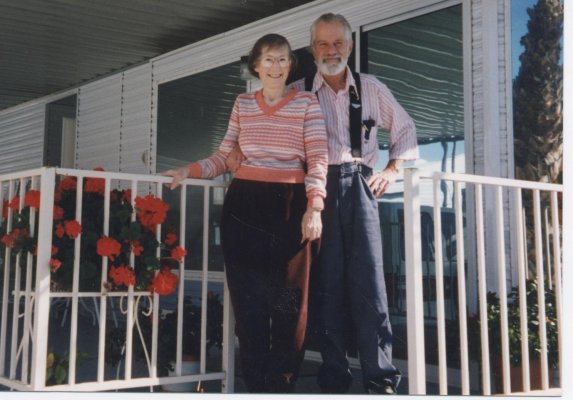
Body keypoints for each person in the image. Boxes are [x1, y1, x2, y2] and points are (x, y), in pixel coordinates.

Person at [226, 14, 419, 394]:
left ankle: (380, 378)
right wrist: (233, 150)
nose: (331, 51)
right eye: (323, 44)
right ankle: (334, 376)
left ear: (349, 46)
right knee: (325, 285)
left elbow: (406, 130)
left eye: (338, 44)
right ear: (312, 49)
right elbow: (253, 127)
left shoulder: (371, 88)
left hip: (358, 185)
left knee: (369, 284)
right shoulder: (295, 90)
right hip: (309, 192)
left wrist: (393, 169)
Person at [162, 33, 328, 393]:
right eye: (268, 59)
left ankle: (281, 386)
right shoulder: (242, 104)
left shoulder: (307, 104)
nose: (276, 67)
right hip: (245, 207)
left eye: (283, 59)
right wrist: (188, 171)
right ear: (255, 65)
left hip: (291, 205)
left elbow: (317, 158)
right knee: (249, 305)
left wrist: (314, 206)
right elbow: (223, 156)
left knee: (289, 305)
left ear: (290, 65)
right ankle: (254, 387)